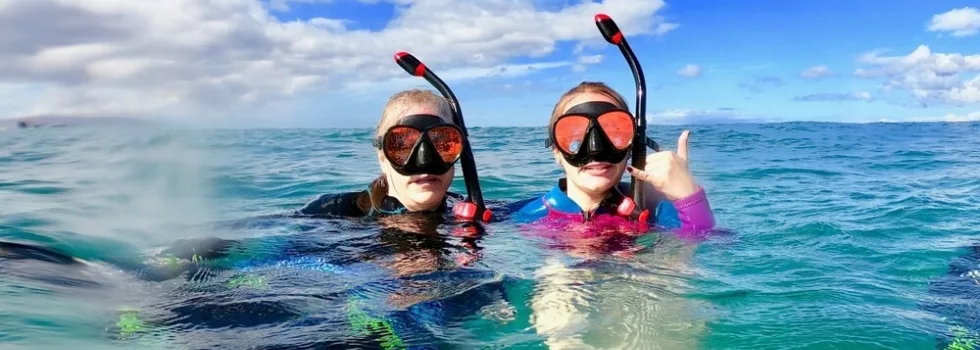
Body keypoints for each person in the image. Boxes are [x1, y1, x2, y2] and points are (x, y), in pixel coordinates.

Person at [512, 81, 715, 234]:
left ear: (632, 146)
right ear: (556, 151)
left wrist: (687, 196)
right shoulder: (526, 216)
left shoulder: (653, 210)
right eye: (575, 139)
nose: (596, 150)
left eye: (614, 134)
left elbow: (706, 244)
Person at [294, 88, 471, 219]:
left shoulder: (474, 214)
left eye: (443, 143)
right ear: (382, 158)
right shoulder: (330, 213)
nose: (425, 160)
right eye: (402, 145)